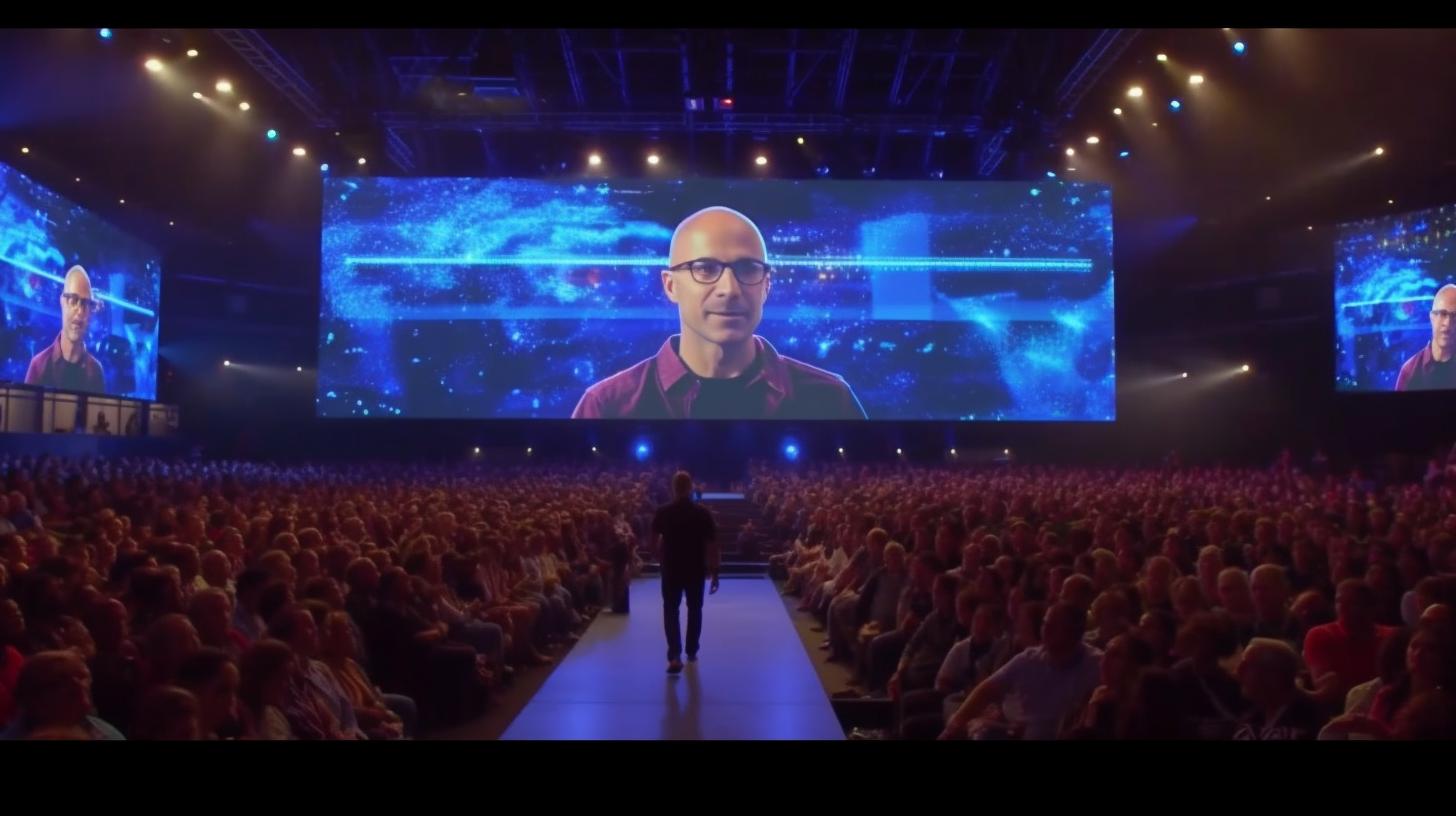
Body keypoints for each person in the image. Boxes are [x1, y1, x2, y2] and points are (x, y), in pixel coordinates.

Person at [572, 206, 866, 419]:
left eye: (747, 268)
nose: (729, 289)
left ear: (766, 285)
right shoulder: (607, 406)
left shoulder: (830, 398)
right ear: (671, 286)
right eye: (705, 268)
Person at [939, 603, 1102, 740]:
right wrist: (954, 726)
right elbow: (986, 690)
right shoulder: (1029, 659)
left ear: (1075, 632)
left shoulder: (1095, 664)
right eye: (1045, 624)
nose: (1046, 630)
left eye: (1054, 626)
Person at [651, 470, 719, 674]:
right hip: (696, 569)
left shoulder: (663, 512)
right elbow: (713, 545)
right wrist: (715, 571)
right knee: (694, 610)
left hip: (671, 568)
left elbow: (652, 541)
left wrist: (659, 558)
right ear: (691, 488)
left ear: (673, 488)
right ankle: (691, 651)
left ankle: (674, 656)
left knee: (671, 611)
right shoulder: (703, 513)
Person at [24, 265, 108, 394]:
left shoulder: (96, 372)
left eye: (85, 303)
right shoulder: (39, 366)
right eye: (73, 300)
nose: (79, 311)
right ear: (62, 302)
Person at [1395, 284, 1456, 391]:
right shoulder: (1410, 371)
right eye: (1442, 314)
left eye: (1455, 315)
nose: (1448, 322)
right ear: (1432, 317)